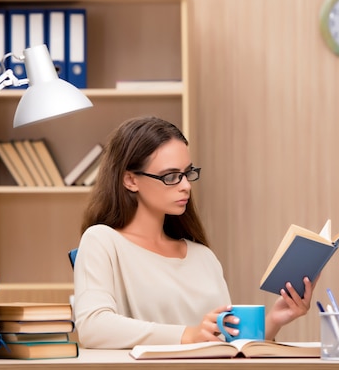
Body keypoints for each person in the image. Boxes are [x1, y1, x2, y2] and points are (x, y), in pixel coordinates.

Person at [73, 116, 314, 349]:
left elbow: (225, 345)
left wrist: (274, 320)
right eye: (171, 176)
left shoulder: (203, 257)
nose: (186, 186)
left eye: (187, 173)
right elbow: (93, 327)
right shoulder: (102, 241)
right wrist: (188, 334)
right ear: (130, 180)